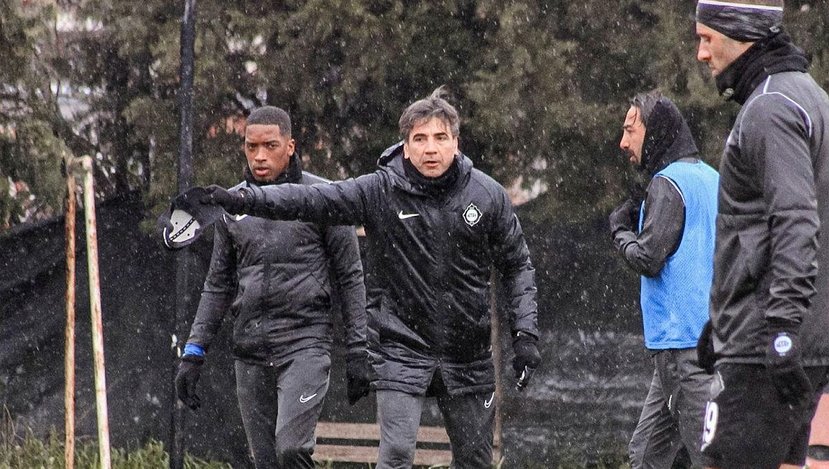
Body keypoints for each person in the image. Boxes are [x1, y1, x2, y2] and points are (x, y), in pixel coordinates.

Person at [185, 87, 541, 469]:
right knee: (396, 455)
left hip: (467, 352)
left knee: (475, 461)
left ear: (456, 142)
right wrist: (242, 200)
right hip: (401, 347)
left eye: (440, 138)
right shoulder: (380, 190)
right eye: (420, 138)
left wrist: (525, 335)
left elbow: (517, 265)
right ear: (405, 146)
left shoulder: (488, 196)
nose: (431, 148)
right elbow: (311, 199)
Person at [174, 106, 370, 469]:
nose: (260, 156)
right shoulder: (231, 204)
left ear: (290, 146)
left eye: (270, 146)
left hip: (305, 345)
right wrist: (194, 352)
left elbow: (351, 277)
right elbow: (218, 284)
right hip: (249, 349)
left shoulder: (325, 197)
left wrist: (359, 348)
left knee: (291, 450)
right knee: (266, 462)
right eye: (252, 147)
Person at [693, 1, 829, 468]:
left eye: (707, 38)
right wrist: (721, 320)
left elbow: (795, 220)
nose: (701, 54)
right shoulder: (811, 96)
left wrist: (781, 328)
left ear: (741, 34)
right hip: (799, 339)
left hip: (765, 346)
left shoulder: (770, 107)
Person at [609, 90, 719, 469]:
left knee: (707, 459)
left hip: (682, 347)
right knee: (646, 454)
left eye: (630, 130)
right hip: (710, 341)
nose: (623, 142)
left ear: (655, 130)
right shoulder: (712, 178)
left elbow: (648, 258)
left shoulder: (668, 182)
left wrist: (620, 231)